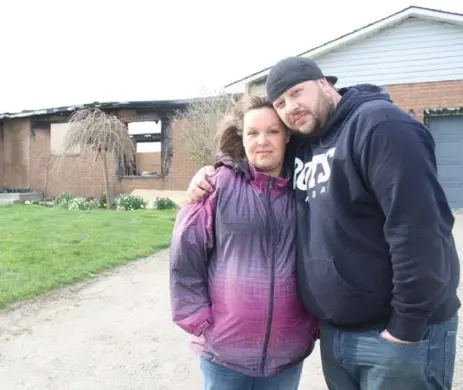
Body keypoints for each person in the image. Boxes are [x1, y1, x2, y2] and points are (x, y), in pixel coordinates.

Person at [185, 56, 460, 390]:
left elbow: (420, 229)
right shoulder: (306, 141)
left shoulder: (381, 126)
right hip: (337, 336)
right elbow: (259, 151)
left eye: (297, 93)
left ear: (324, 84)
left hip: (395, 335)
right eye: (281, 102)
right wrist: (211, 171)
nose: (290, 107)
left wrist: (407, 327)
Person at [169, 94, 318, 390]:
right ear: (242, 137)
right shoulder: (217, 185)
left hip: (287, 355)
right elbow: (185, 253)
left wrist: (314, 323)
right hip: (224, 353)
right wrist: (198, 319)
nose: (262, 140)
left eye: (272, 131)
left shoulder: (306, 189)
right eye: (253, 132)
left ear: (287, 136)